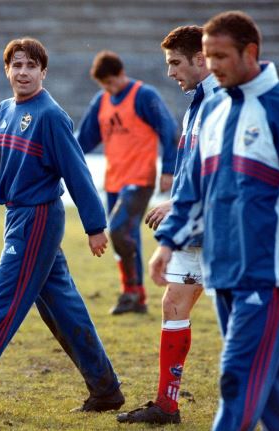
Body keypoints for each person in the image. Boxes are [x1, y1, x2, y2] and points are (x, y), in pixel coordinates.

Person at [118, 24, 279, 429]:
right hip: (211, 242)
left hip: (262, 259)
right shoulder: (209, 106)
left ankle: (169, 406)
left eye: (216, 57)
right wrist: (169, 238)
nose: (174, 72)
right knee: (259, 372)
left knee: (239, 374)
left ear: (249, 53)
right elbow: (201, 178)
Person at [0, 37, 125, 414]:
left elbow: (77, 173)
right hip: (18, 217)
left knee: (2, 303)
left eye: (31, 66)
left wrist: (95, 225)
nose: (23, 72)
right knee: (64, 308)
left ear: (43, 72)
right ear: (7, 71)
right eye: (16, 65)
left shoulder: (50, 116)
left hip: (38, 218)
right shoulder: (3, 112)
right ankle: (106, 389)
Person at [117, 25, 219, 424]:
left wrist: (177, 199)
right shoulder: (199, 101)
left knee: (241, 320)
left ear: (200, 59)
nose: (171, 72)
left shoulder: (220, 103)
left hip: (219, 229)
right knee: (174, 303)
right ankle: (166, 405)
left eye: (176, 63)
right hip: (195, 228)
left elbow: (224, 168)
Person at [76, 50, 178, 315]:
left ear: (121, 74)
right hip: (113, 181)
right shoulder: (102, 101)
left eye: (111, 82)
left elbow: (168, 129)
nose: (109, 89)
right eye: (104, 85)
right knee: (125, 235)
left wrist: (168, 168)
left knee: (119, 230)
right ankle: (133, 296)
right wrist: (62, 161)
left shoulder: (144, 96)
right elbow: (84, 139)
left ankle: (134, 292)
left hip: (140, 179)